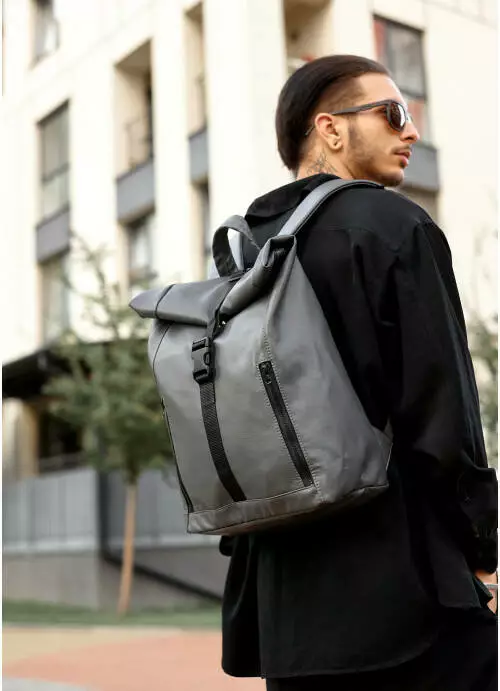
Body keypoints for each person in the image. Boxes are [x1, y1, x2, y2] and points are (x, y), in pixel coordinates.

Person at [219, 55, 498, 690]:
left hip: (285, 606)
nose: (412, 131)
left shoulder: (246, 250)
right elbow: (444, 413)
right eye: (393, 113)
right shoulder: (394, 226)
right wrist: (483, 546)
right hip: (408, 597)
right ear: (331, 129)